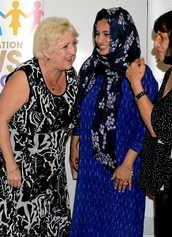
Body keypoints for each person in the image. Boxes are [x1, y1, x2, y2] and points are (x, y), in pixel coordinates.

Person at [69, 7, 158, 237]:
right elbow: (82, 109)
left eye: (107, 34)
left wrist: (127, 164)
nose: (100, 40)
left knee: (120, 228)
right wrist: (74, 141)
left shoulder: (139, 73)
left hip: (123, 169)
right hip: (91, 169)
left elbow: (146, 126)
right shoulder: (91, 69)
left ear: (122, 33)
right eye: (97, 33)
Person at [0, 17, 79, 236]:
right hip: (19, 172)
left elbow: (75, 120)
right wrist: (11, 166)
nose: (73, 51)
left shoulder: (72, 76)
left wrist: (74, 149)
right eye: (65, 46)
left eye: (74, 44)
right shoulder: (24, 77)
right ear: (46, 51)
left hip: (52, 175)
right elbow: (0, 120)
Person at [126, 9, 172, 237]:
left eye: (162, 37)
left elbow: (158, 128)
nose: (156, 44)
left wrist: (136, 85)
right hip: (165, 181)